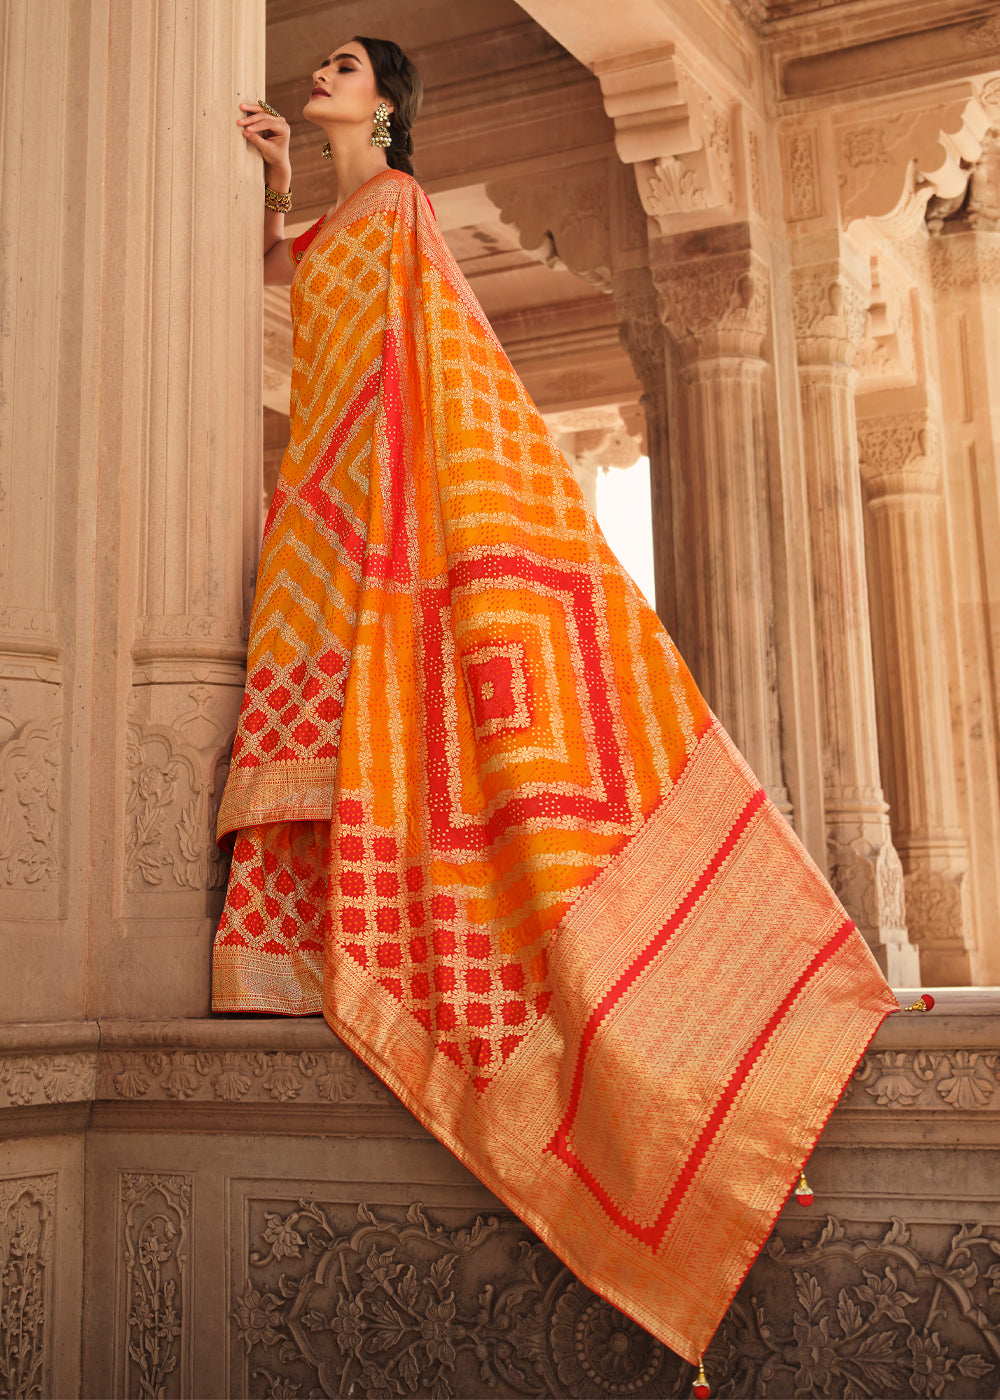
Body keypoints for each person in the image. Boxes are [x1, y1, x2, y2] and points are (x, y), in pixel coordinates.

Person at [214, 35, 901, 1380]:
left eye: (346, 68)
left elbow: (435, 355)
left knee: (409, 724)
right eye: (329, 65)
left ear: (392, 104)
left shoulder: (404, 206)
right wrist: (274, 182)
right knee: (297, 723)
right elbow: (287, 288)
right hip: (319, 490)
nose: (326, 72)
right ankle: (286, 956)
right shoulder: (332, 213)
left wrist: (433, 512)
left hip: (384, 490)